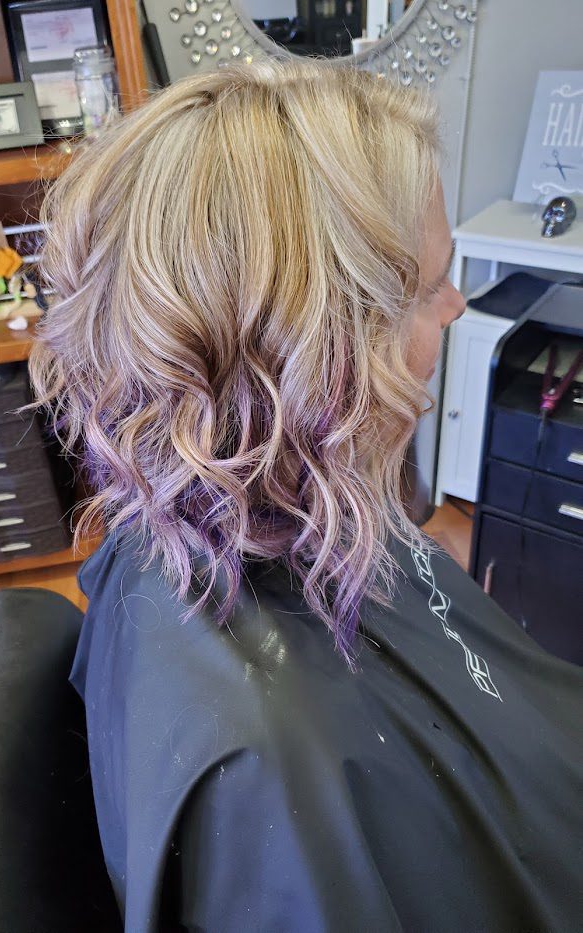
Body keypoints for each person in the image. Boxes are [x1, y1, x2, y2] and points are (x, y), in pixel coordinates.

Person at [30, 59, 582, 932]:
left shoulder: (186, 513)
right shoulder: (270, 765)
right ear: (318, 356)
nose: (455, 305)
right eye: (427, 287)